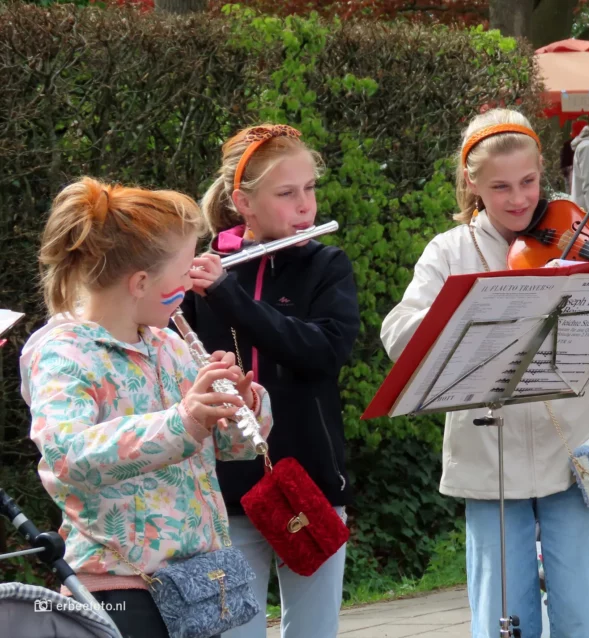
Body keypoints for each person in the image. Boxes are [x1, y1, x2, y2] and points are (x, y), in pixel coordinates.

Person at [381, 108, 589, 638]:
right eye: (501, 187)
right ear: (472, 184)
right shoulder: (450, 250)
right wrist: (466, 310)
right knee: (500, 615)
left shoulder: (572, 233)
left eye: (529, 182)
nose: (519, 199)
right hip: (491, 455)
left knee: (588, 612)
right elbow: (397, 333)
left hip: (573, 445)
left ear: (543, 170)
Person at [21, 177, 273, 638]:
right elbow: (67, 456)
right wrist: (184, 421)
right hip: (121, 588)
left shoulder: (169, 346)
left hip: (198, 582)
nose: (191, 282)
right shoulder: (63, 353)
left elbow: (233, 450)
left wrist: (242, 406)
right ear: (140, 282)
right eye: (184, 272)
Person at [182, 123, 360, 638]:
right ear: (244, 203)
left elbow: (322, 354)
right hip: (226, 489)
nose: (305, 205)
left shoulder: (326, 265)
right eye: (286, 194)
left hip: (310, 480)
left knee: (314, 630)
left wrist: (230, 297)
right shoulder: (208, 269)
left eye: (310, 189)